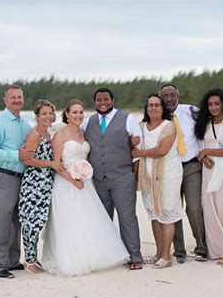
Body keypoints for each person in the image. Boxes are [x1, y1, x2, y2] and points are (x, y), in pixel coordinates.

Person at [41, 99, 130, 276]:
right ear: (66, 114)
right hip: (66, 183)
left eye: (81, 112)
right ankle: (72, 259)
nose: (78, 115)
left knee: (88, 219)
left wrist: (83, 174)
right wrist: (72, 179)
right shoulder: (60, 135)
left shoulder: (84, 133)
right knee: (70, 221)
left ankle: (93, 255)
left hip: (85, 183)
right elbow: (56, 164)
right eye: (74, 112)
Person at [82, 87, 144, 270]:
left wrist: (133, 177)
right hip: (99, 179)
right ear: (94, 102)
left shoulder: (128, 119)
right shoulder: (88, 122)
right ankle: (106, 255)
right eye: (99, 100)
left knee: (127, 218)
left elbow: (137, 152)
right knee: (102, 218)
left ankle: (134, 256)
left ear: (112, 100)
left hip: (123, 177)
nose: (102, 103)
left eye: (106, 99)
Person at [0, 85, 32, 279]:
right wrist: (17, 155)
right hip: (4, 176)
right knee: (2, 221)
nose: (17, 100)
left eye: (19, 97)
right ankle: (0, 264)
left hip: (22, 178)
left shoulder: (24, 124)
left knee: (15, 220)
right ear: (5, 99)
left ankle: (13, 260)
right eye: (13, 97)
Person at [131, 94, 183, 269]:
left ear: (163, 108)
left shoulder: (169, 126)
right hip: (148, 175)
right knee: (154, 213)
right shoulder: (141, 127)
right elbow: (133, 147)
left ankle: (167, 256)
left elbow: (162, 150)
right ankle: (159, 253)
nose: (153, 108)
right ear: (146, 108)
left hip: (168, 174)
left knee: (167, 213)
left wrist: (139, 153)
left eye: (157, 105)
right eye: (150, 105)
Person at [160, 83, 208, 263]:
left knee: (194, 208)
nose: (169, 99)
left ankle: (202, 247)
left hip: (191, 166)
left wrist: (206, 153)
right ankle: (179, 250)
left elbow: (206, 130)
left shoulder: (191, 111)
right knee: (173, 209)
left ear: (178, 95)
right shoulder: (158, 117)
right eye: (165, 96)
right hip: (169, 168)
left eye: (172, 94)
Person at [194, 88, 223, 266]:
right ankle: (215, 250)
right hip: (208, 170)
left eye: (217, 104)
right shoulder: (204, 123)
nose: (213, 107)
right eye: (210, 104)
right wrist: (204, 157)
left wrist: (208, 151)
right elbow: (199, 146)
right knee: (210, 211)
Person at [18, 99, 62, 274]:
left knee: (39, 220)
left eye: (50, 113)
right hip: (33, 183)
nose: (48, 116)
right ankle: (29, 260)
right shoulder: (35, 134)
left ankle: (33, 258)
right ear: (37, 116)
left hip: (45, 183)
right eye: (44, 113)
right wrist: (51, 164)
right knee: (31, 222)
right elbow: (27, 160)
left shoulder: (48, 134)